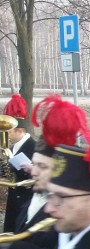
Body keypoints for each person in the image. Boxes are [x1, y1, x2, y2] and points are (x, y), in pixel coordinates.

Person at [7, 95, 90, 249]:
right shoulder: (33, 198)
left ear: (59, 170)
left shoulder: (71, 211)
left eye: (41, 166)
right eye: (34, 163)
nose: (33, 170)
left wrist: (12, 248)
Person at [3, 94, 35, 233]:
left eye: (9, 132)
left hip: (26, 201)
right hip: (13, 201)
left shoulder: (33, 146)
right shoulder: (10, 148)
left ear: (20, 130)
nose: (6, 135)